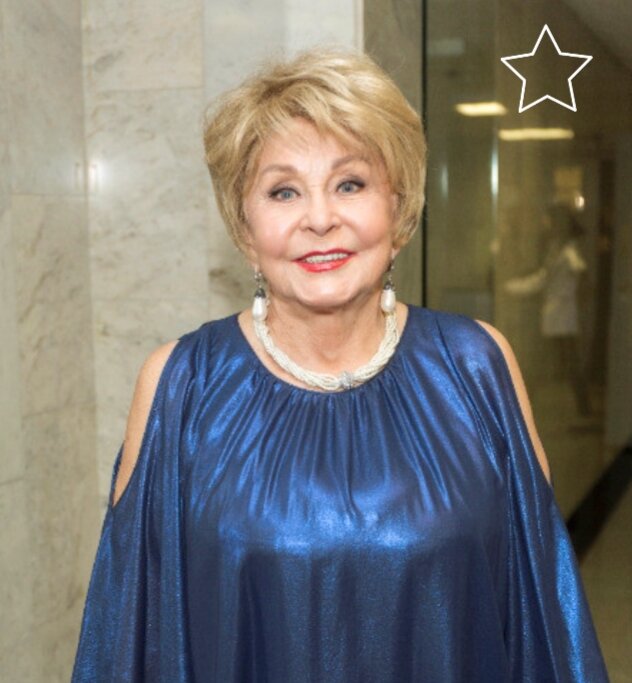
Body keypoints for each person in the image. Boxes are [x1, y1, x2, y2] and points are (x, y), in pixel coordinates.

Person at [71, 48, 609, 682]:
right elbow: (131, 636)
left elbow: (540, 617)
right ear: (245, 229)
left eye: (350, 184)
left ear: (398, 209)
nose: (320, 219)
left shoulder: (475, 367)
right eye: (283, 191)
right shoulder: (182, 383)